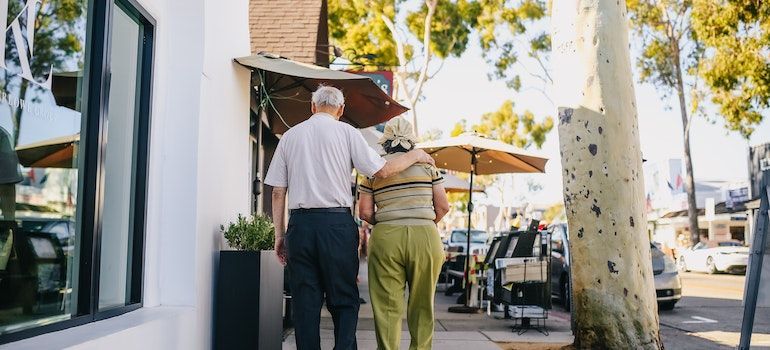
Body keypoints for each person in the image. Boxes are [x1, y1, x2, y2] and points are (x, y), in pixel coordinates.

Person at [265, 85, 435, 350]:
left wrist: (280, 234)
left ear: (312, 106)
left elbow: (277, 191)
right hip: (336, 225)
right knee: (344, 299)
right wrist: (416, 154)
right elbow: (383, 171)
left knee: (305, 303)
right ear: (341, 109)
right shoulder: (348, 133)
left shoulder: (290, 136)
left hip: (301, 225)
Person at [358, 117, 450, 350]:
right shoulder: (428, 165)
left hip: (387, 238)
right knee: (422, 305)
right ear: (411, 139)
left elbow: (365, 211)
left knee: (387, 307)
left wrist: (391, 220)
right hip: (425, 238)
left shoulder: (374, 167)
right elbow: (443, 207)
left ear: (385, 140)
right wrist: (424, 221)